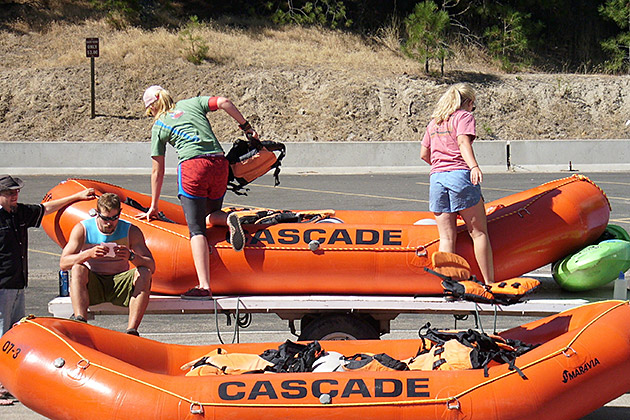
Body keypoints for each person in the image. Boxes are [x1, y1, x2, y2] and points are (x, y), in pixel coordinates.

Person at [137, 85, 258, 299]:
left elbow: (158, 170)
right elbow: (223, 102)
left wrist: (154, 206)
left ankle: (204, 286)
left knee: (197, 229)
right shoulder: (192, 103)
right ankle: (229, 218)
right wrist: (246, 126)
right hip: (219, 164)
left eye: (150, 111)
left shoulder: (159, 125)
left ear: (153, 106)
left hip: (193, 168)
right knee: (210, 217)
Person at [0, 174, 94, 404]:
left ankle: (5, 384)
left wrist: (77, 196)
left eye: (17, 192)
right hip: (1, 285)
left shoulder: (18, 213)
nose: (15, 196)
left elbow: (45, 208)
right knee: (1, 336)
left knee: (14, 335)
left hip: (17, 283)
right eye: (10, 193)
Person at [420, 83, 495, 284]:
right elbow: (463, 142)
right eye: (473, 105)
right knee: (478, 233)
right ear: (468, 102)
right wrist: (473, 166)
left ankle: (449, 285)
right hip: (459, 176)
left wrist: (441, 165)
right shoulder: (464, 117)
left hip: (437, 179)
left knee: (446, 238)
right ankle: (489, 282)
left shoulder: (434, 123)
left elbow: (424, 154)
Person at [60, 193, 154, 336]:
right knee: (78, 268)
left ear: (120, 214)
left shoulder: (131, 231)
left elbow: (151, 266)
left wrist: (131, 256)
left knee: (144, 273)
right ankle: (81, 320)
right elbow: (63, 263)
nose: (109, 223)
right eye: (105, 218)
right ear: (97, 213)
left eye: (114, 218)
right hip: (94, 281)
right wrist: (88, 254)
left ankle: (132, 330)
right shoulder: (83, 229)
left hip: (119, 282)